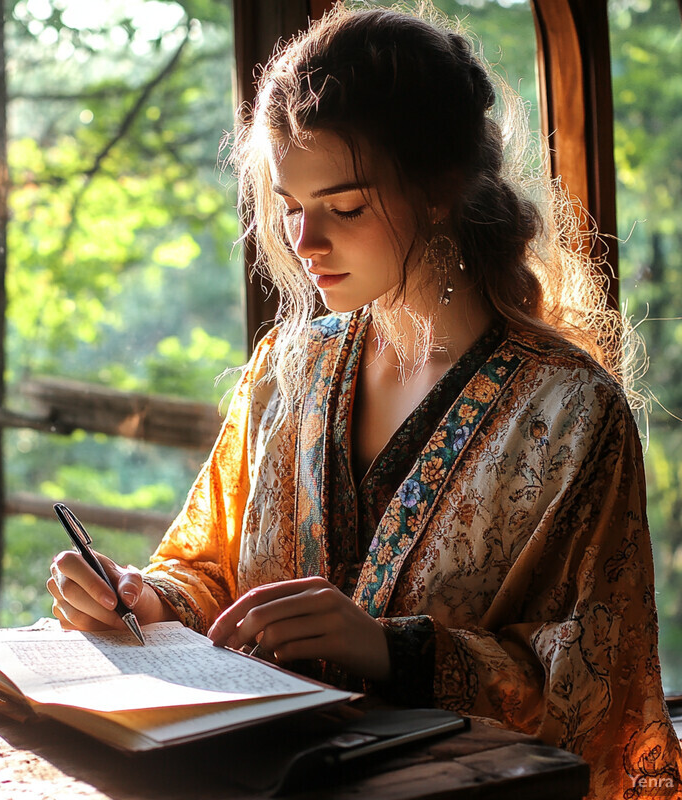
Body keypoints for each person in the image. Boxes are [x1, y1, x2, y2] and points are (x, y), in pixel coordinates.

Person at [47, 4, 682, 797]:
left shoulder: (571, 416)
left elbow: (600, 688)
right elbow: (209, 571)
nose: (305, 241)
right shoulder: (290, 369)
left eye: (344, 208)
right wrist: (142, 596)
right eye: (289, 205)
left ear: (440, 188)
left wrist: (395, 650)